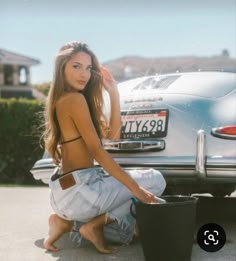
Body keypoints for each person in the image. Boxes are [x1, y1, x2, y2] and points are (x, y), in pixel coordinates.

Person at [42, 41, 166, 253]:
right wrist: (139, 191)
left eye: (88, 68)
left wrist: (113, 94)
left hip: (65, 194)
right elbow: (98, 152)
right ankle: (92, 225)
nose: (84, 74)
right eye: (76, 66)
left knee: (124, 225)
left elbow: (112, 137)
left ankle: (66, 223)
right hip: (83, 191)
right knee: (155, 179)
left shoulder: (62, 100)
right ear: (61, 68)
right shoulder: (74, 99)